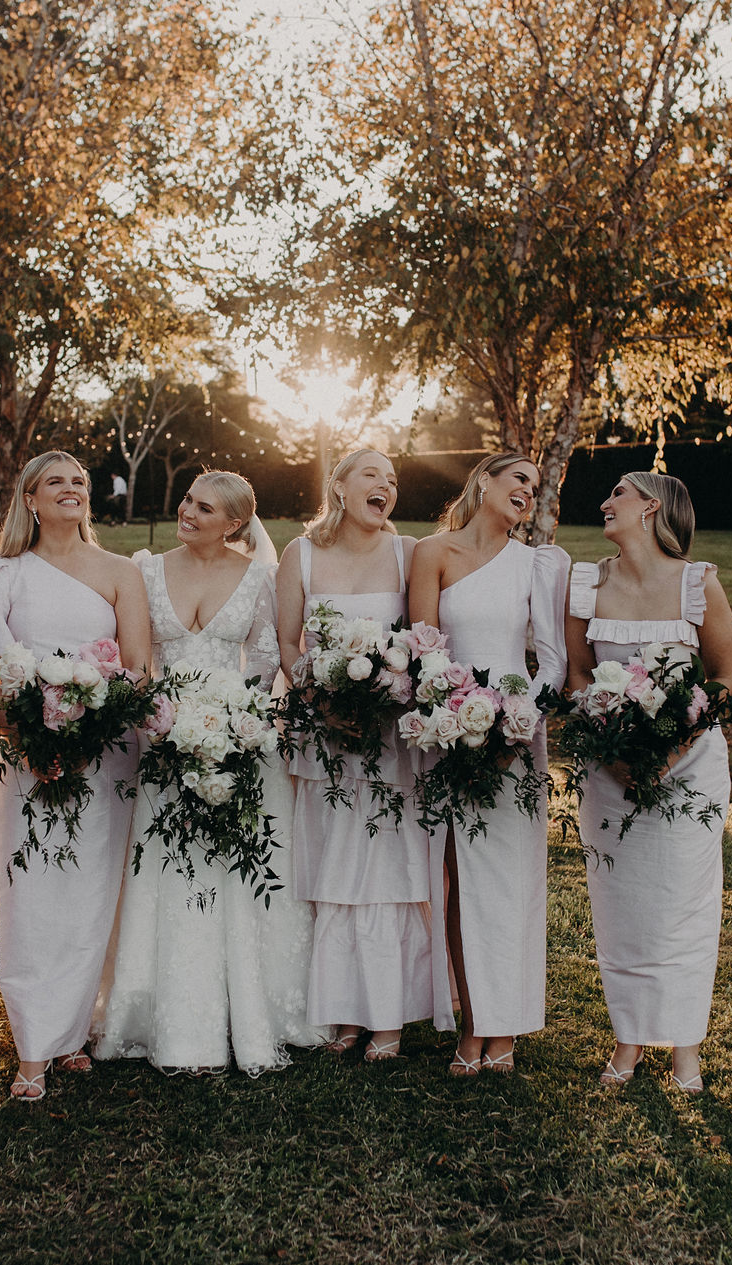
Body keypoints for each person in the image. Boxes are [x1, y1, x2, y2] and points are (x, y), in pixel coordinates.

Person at [93, 470, 324, 1074]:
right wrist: (168, 726)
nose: (188, 511)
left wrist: (233, 728)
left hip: (238, 741)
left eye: (205, 507)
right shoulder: (144, 569)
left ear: (235, 524)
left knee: (240, 877)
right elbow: (136, 658)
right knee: (170, 873)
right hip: (165, 742)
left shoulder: (260, 577)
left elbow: (269, 661)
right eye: (189, 500)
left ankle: (250, 1009)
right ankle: (166, 1016)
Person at [0, 451, 151, 1101]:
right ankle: (33, 1045)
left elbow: (136, 668)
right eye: (56, 482)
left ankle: (74, 1030)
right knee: (33, 893)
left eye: (79, 481)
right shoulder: (3, 574)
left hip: (105, 756)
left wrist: (89, 737)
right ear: (31, 500)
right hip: (25, 756)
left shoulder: (120, 571)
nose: (72, 488)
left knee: (92, 890)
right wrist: (24, 736)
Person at [566, 472, 732, 1093]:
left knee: (685, 906)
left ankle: (686, 1048)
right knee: (624, 907)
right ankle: (628, 1042)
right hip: (610, 773)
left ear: (651, 509)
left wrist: (671, 749)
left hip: (688, 768)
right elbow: (579, 676)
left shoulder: (698, 584)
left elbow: (723, 672)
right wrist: (614, 752)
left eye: (617, 492)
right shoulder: (586, 582)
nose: (605, 501)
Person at [408, 452, 569, 1076]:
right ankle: (471, 1022)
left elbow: (552, 663)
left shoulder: (540, 565)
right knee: (458, 878)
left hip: (516, 737)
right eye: (517, 479)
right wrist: (454, 714)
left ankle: (504, 1025)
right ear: (484, 483)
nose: (527, 491)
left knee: (509, 882)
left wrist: (514, 722)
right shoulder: (433, 553)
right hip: (449, 731)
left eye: (535, 485)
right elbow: (422, 647)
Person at [276, 447, 431, 1062]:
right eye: (372, 474)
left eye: (392, 479)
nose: (386, 485)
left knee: (389, 868)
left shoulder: (409, 552)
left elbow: (425, 640)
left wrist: (392, 694)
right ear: (338, 486)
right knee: (336, 866)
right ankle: (345, 1012)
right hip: (326, 736)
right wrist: (323, 700)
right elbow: (291, 642)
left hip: (391, 741)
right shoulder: (301, 555)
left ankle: (387, 1016)